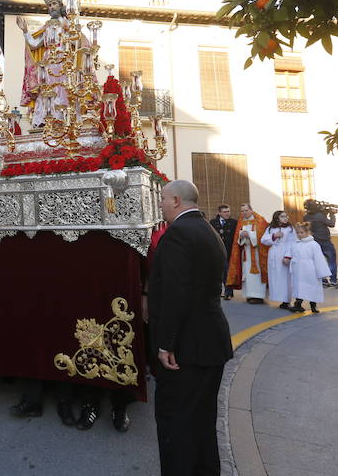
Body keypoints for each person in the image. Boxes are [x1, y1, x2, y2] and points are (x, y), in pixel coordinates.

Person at [148, 180, 233, 476]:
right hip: (210, 342)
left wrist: (165, 344)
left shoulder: (179, 234)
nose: (160, 204)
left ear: (174, 200)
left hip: (188, 348)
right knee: (201, 420)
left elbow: (176, 292)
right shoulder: (208, 230)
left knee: (177, 422)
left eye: (162, 198)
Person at [16, 0, 73, 127]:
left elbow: (76, 41)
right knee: (45, 90)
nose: (52, 7)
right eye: (49, 5)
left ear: (61, 6)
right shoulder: (47, 26)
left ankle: (62, 120)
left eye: (54, 3)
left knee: (63, 89)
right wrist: (25, 31)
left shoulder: (67, 24)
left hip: (63, 62)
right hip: (47, 64)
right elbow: (34, 44)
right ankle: (43, 120)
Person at [226, 203, 269, 304]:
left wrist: (249, 234)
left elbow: (262, 235)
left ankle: (259, 296)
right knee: (247, 274)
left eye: (246, 210)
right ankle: (249, 295)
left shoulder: (260, 219)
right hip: (246, 251)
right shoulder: (241, 221)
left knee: (257, 275)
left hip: (258, 252)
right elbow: (237, 235)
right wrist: (241, 236)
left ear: (251, 209)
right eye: (242, 211)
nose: (244, 213)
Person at [286, 222, 331, 313]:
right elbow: (290, 253)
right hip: (298, 269)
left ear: (308, 233)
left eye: (301, 232)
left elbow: (319, 258)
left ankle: (313, 305)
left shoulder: (314, 245)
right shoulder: (295, 244)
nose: (299, 235)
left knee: (312, 286)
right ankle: (298, 304)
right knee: (299, 287)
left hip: (310, 270)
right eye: (297, 233)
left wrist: (322, 272)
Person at [303, 199, 338, 289]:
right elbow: (331, 224)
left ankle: (323, 281)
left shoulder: (306, 217)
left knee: (318, 262)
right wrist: (332, 214)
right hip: (324, 241)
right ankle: (333, 280)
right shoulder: (320, 215)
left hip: (314, 241)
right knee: (331, 260)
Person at [261, 211, 296, 310]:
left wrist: (288, 256)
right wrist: (274, 236)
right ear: (277, 218)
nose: (285, 218)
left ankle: (286, 300)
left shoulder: (290, 229)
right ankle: (278, 297)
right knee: (276, 276)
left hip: (285, 253)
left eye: (286, 216)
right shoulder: (270, 228)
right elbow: (263, 240)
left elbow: (293, 243)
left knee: (286, 278)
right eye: (282, 216)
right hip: (274, 254)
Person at [209, 204, 237, 300]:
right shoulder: (212, 222)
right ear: (219, 212)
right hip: (217, 251)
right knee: (217, 272)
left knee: (227, 272)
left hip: (229, 250)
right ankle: (218, 291)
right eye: (225, 212)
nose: (227, 213)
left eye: (228, 211)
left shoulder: (234, 222)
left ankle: (228, 292)